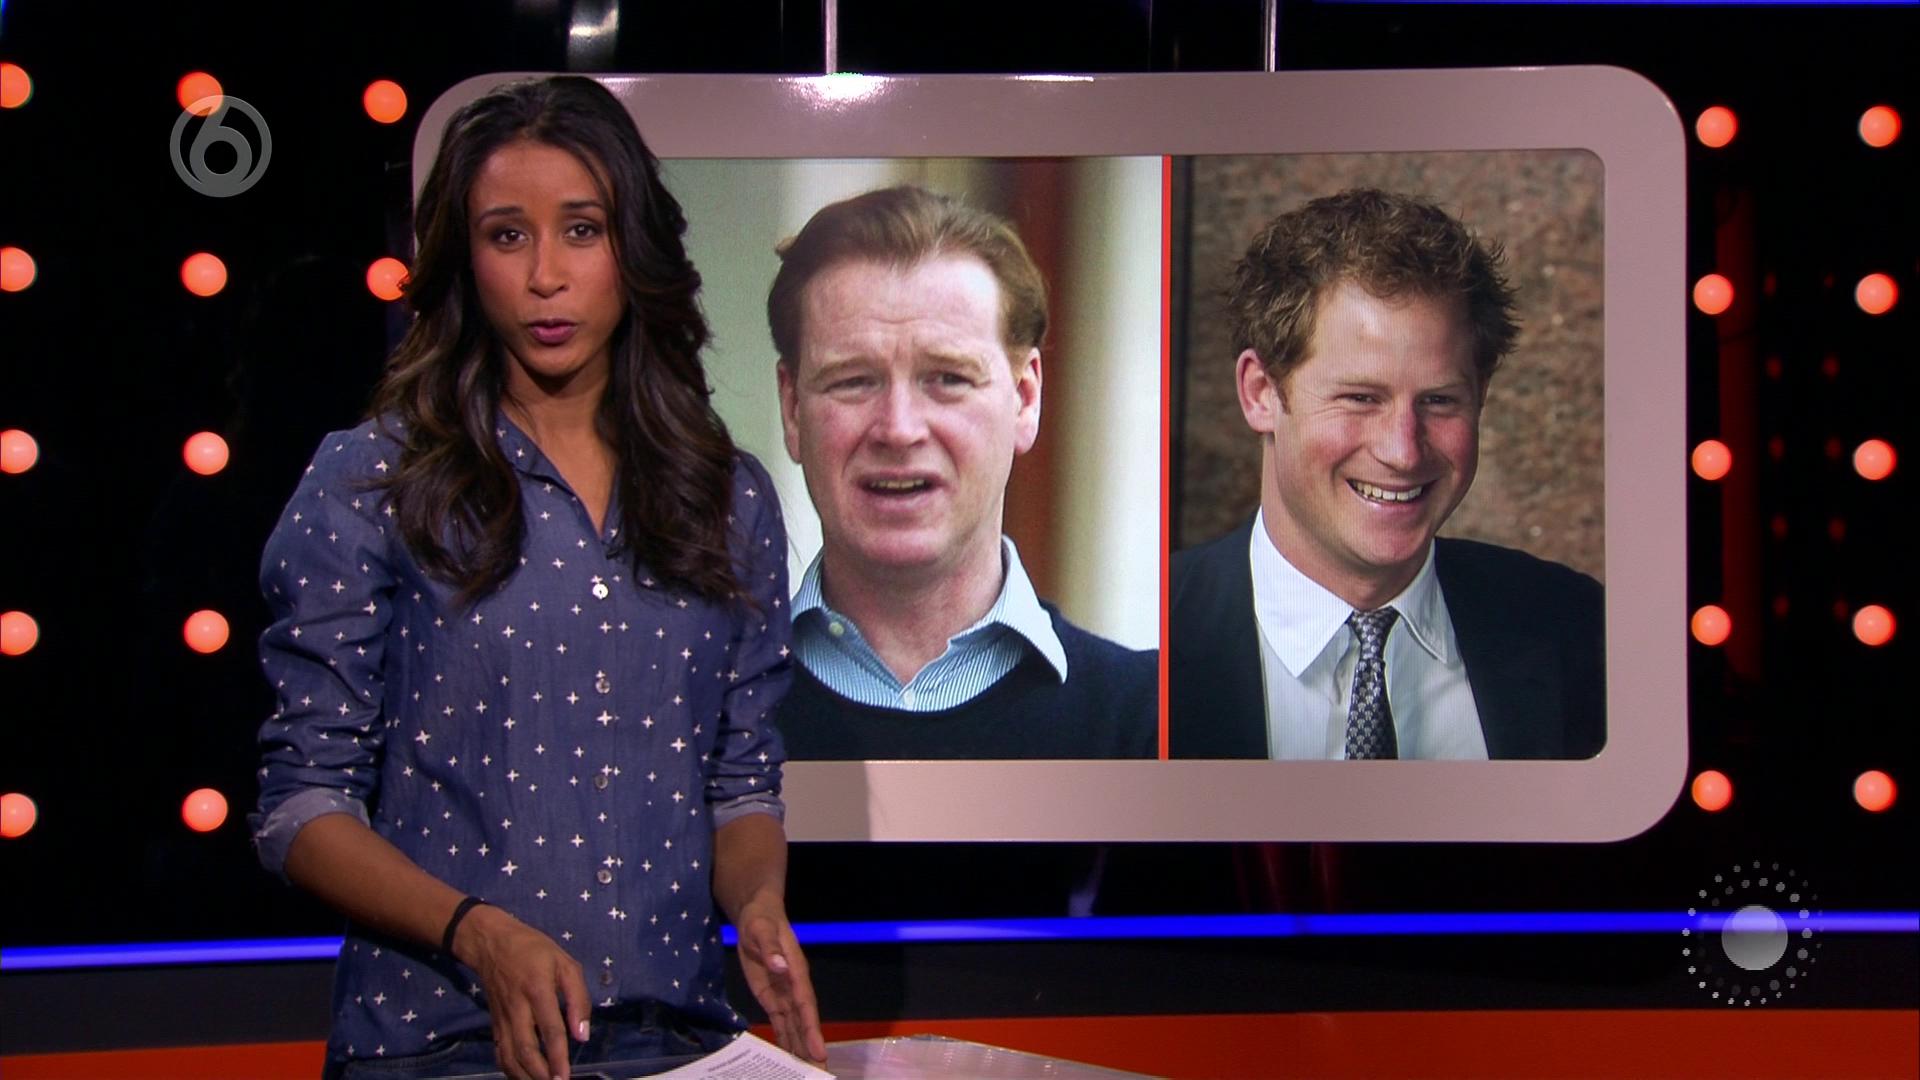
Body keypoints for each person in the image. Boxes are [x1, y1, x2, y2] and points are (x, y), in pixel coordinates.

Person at [248, 76, 826, 1079]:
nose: (546, 276)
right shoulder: (373, 482)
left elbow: (740, 787)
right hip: (442, 1047)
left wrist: (760, 904)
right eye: (508, 236)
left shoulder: (724, 497)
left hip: (675, 1042)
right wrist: (477, 932)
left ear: (632, 249)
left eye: (582, 231)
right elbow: (301, 810)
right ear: (464, 260)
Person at [1170, 188, 1603, 761]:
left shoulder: (1581, 634)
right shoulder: (1146, 643)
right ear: (1260, 394)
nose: (1402, 451)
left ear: (1481, 397)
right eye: (1361, 398)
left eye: (1440, 401)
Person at [764, 185, 1155, 760]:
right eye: (853, 381)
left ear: (1025, 399)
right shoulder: (689, 721)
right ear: (793, 408)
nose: (899, 429)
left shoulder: (1153, 725)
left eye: (947, 378)